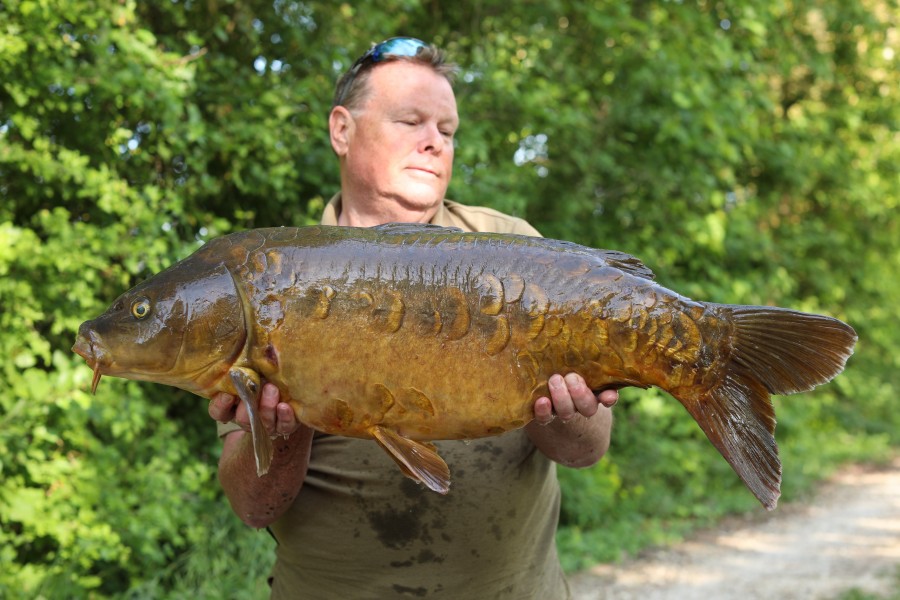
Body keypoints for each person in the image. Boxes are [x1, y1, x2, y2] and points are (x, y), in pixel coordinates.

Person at [209, 37, 617, 599]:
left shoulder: (514, 250)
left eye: (447, 131)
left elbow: (586, 450)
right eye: (411, 121)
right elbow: (254, 508)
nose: (434, 143)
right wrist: (285, 427)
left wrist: (564, 413)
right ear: (342, 130)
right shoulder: (276, 279)